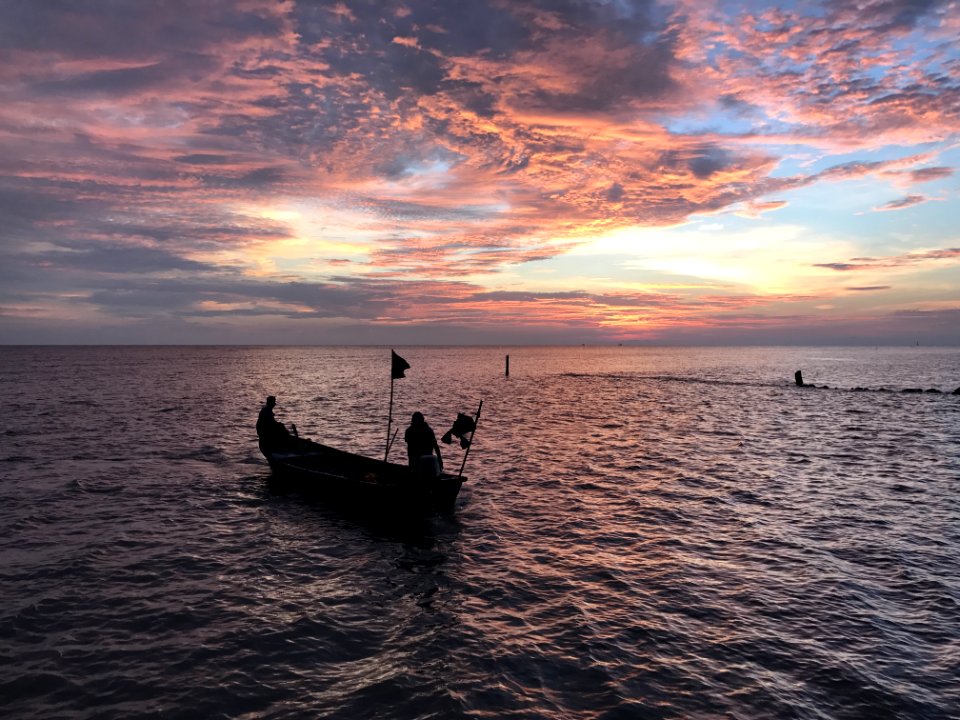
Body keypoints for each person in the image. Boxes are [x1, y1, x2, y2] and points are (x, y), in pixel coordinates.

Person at [404, 411, 443, 477]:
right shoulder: (410, 431)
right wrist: (440, 460)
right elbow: (436, 447)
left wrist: (440, 460)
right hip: (415, 461)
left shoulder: (427, 431)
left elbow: (435, 446)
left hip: (424, 461)